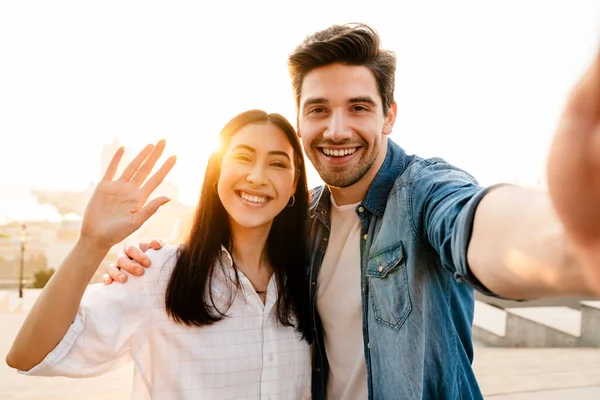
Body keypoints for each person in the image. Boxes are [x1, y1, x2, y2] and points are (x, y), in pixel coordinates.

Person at [107, 24, 600, 400]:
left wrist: (569, 245)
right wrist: (133, 258)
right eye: (319, 109)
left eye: (359, 108)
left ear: (389, 115)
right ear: (299, 118)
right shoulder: (299, 221)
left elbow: (475, 224)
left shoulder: (424, 192)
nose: (337, 129)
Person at [6, 110, 313, 400]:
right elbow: (29, 354)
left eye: (277, 163)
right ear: (217, 172)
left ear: (294, 185)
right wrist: (91, 244)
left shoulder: (309, 279)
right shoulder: (159, 274)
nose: (257, 177)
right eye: (244, 157)